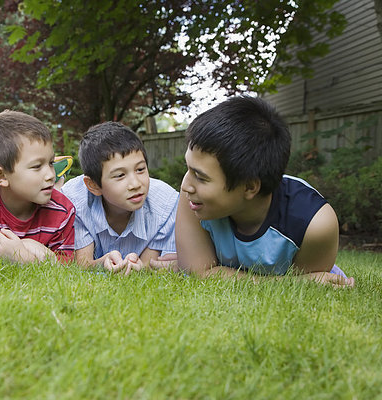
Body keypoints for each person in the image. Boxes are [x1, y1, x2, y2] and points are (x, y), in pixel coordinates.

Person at [175, 96, 355, 287]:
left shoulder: (314, 224)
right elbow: (198, 273)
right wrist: (291, 283)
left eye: (200, 177)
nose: (186, 185)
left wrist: (303, 282)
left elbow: (309, 292)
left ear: (250, 187)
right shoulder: (193, 197)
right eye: (189, 168)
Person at [0, 110, 75, 263]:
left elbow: (67, 267)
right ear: (1, 176)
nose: (51, 175)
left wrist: (26, 256)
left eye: (51, 163)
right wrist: (14, 254)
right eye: (37, 166)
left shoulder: (62, 210)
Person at [61, 121, 179, 274]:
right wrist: (102, 262)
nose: (135, 184)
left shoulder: (166, 204)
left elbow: (152, 265)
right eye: (120, 175)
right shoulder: (75, 200)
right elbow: (82, 264)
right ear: (93, 186)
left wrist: (140, 267)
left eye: (140, 169)